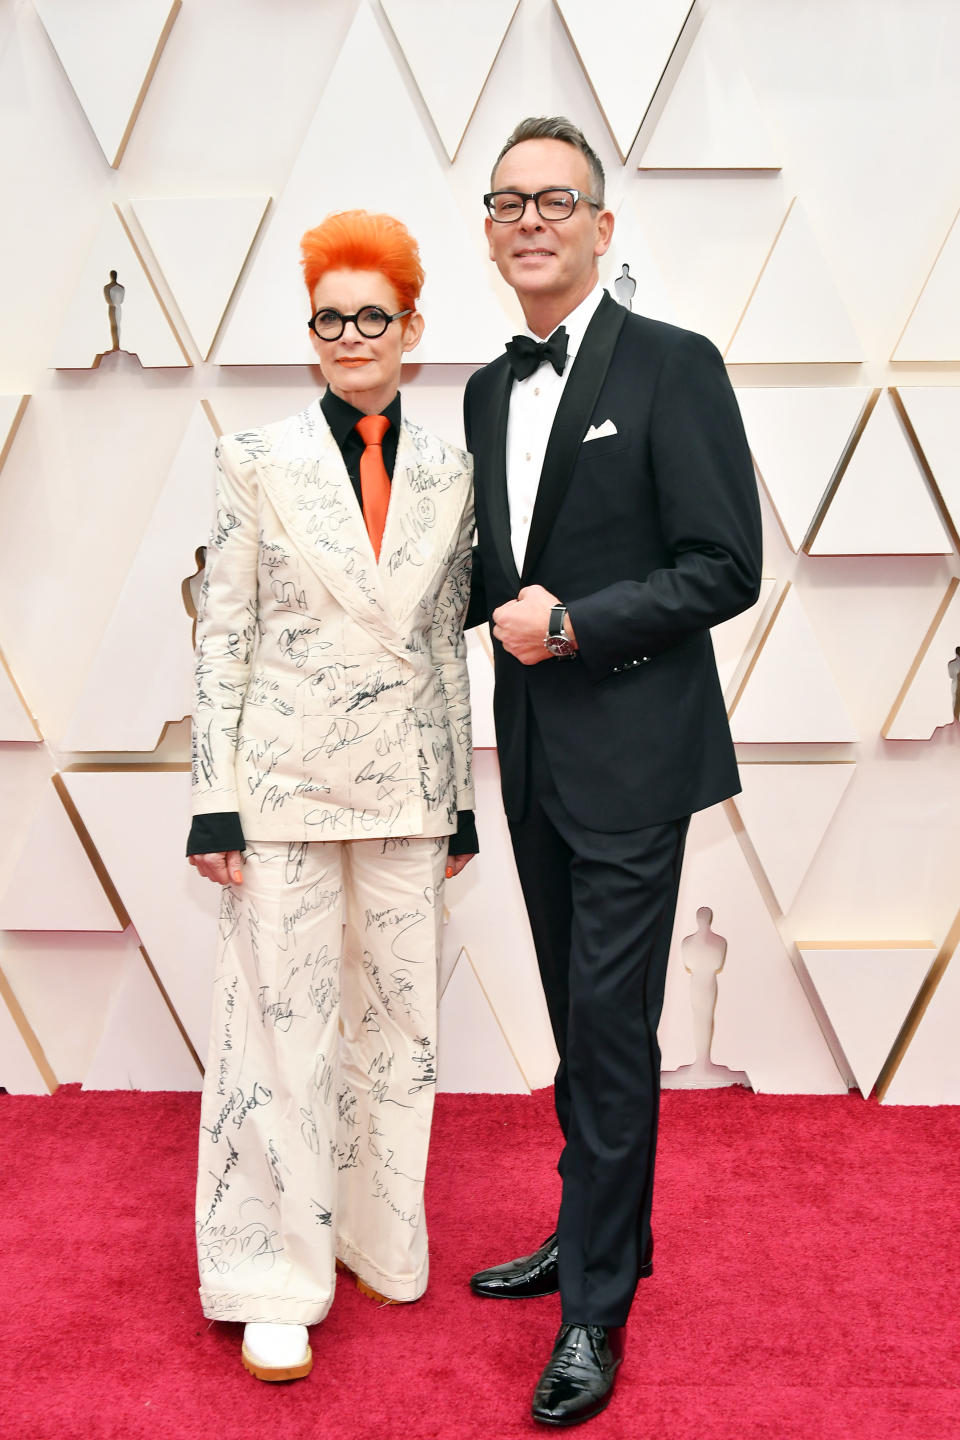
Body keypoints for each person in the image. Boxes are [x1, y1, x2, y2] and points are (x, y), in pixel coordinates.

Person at [464, 117, 762, 1427]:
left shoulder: (674, 368)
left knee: (613, 1026)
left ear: (600, 226)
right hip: (530, 754)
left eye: (556, 200)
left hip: (636, 755)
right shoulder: (484, 391)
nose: (531, 220)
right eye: (508, 201)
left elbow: (724, 565)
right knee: (577, 1023)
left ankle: (594, 1310)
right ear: (491, 229)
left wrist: (575, 626)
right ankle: (598, 1232)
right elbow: (488, 578)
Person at [186, 210, 475, 1383]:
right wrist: (215, 799)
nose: (350, 334)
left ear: (412, 326)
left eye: (373, 315)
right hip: (283, 785)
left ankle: (373, 1232)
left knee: (401, 1029)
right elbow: (226, 633)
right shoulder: (252, 459)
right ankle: (269, 1273)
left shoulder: (453, 466)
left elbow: (448, 644)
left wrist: (455, 795)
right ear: (311, 334)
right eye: (329, 318)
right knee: (278, 1028)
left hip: (406, 784)